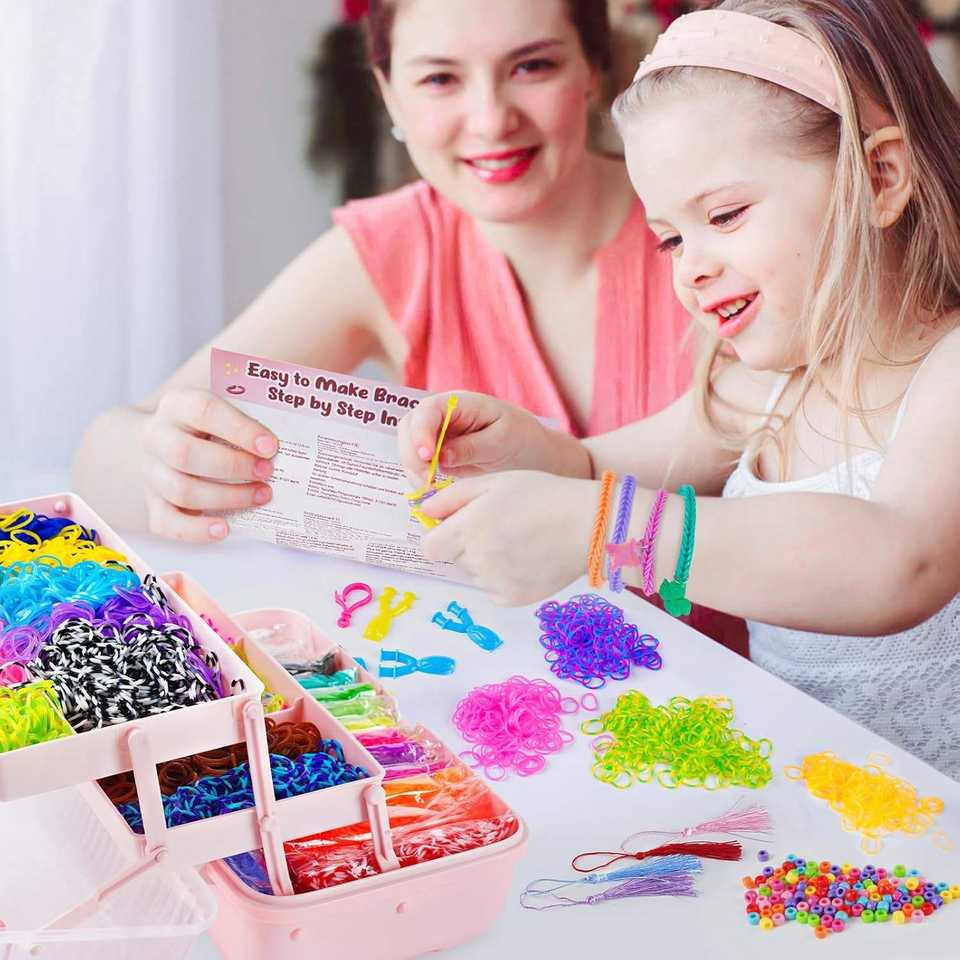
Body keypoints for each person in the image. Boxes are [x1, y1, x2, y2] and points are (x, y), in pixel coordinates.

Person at [397, 0, 960, 779]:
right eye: (669, 238)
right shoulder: (764, 387)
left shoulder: (949, 369)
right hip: (828, 817)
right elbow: (594, 469)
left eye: (723, 215)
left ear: (880, 177)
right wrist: (530, 450)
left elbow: (897, 564)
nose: (690, 268)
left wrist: (606, 527)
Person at [71, 0, 691, 544]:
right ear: (389, 94)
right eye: (440, 78)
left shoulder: (708, 221)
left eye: (532, 67)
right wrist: (162, 466)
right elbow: (103, 453)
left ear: (593, 68)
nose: (490, 119)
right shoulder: (388, 251)